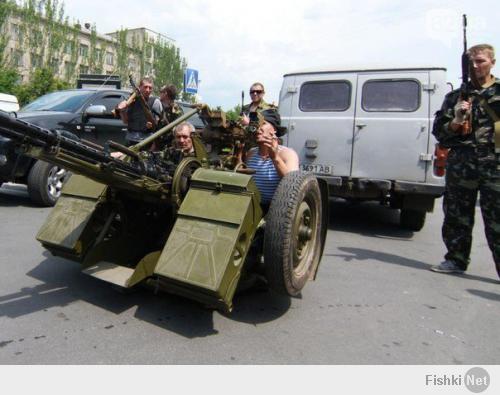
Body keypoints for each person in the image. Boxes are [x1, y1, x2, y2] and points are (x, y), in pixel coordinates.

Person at [431, 43, 500, 277]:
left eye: (480, 61)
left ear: (492, 62)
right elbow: (440, 134)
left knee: (497, 219)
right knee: (456, 215)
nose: (475, 66)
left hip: (495, 166)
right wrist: (456, 120)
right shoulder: (455, 97)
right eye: (471, 62)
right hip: (462, 165)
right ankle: (456, 260)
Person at [245, 109, 299, 206]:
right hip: (252, 209)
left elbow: (293, 186)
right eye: (257, 124)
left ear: (274, 129)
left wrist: (275, 158)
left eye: (263, 123)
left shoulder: (288, 154)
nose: (258, 128)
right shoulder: (251, 153)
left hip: (277, 212)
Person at [116, 76, 162, 145]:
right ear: (139, 87)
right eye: (145, 87)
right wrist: (122, 111)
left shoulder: (155, 102)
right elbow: (125, 121)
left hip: (146, 141)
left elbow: (157, 124)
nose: (148, 90)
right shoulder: (131, 100)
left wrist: (151, 125)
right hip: (130, 139)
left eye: (150, 88)